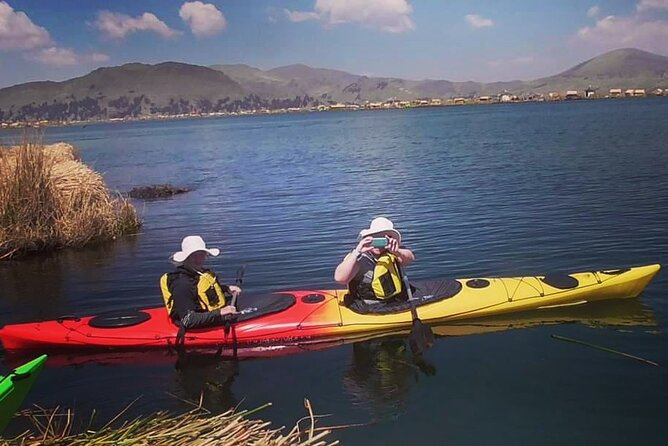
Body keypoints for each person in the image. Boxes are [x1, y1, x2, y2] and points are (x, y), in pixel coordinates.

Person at [160, 235, 240, 330]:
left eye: (201, 254)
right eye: (194, 255)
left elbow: (202, 292)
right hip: (194, 325)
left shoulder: (196, 273)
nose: (199, 259)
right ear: (186, 258)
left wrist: (226, 289)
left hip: (207, 313)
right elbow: (188, 320)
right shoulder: (181, 284)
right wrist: (220, 312)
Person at [334, 217, 415, 306]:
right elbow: (340, 279)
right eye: (375, 239)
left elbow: (410, 258)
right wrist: (357, 252)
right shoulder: (358, 258)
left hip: (395, 300)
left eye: (382, 240)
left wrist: (397, 252)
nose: (378, 245)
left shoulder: (394, 253)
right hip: (369, 306)